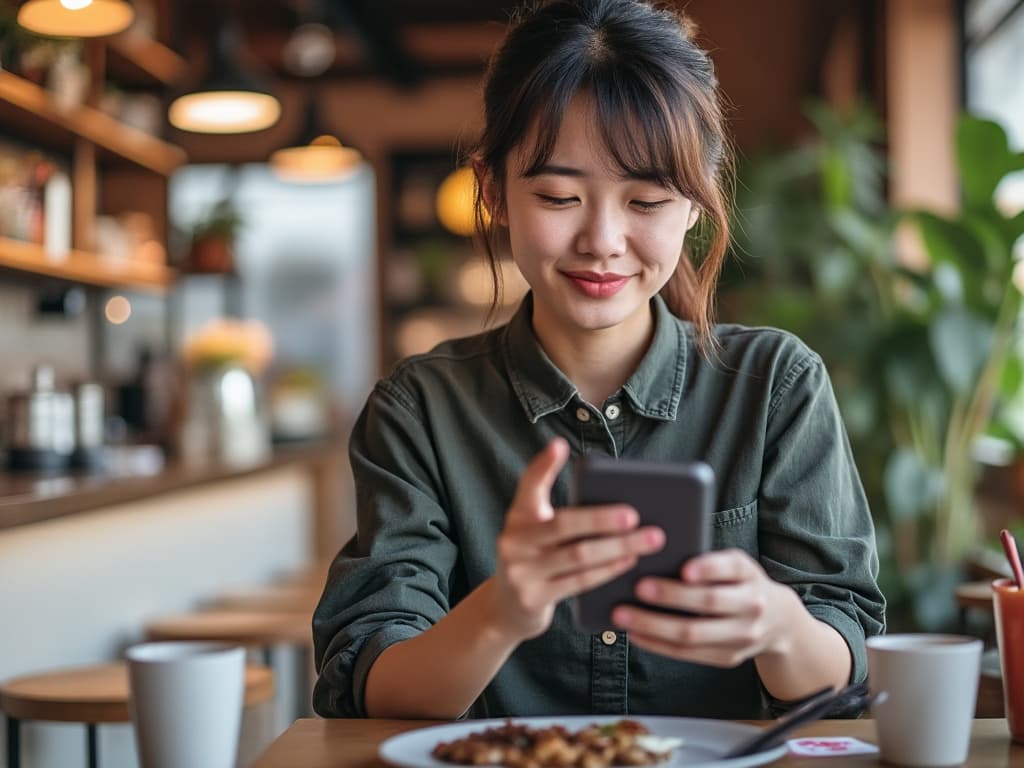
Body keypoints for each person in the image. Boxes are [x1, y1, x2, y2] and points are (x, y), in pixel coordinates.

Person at [313, 0, 885, 720]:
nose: (603, 240)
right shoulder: (421, 410)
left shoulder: (775, 388)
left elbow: (844, 660)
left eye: (646, 201)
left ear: (696, 207)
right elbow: (369, 679)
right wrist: (500, 613)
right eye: (559, 195)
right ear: (493, 192)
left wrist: (776, 625)